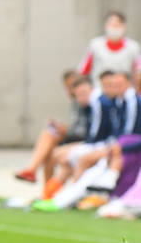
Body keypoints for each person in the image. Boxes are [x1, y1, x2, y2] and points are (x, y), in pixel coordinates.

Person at [35, 69, 138, 211]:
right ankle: (51, 195)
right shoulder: (117, 101)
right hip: (115, 144)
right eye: (108, 85)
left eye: (115, 85)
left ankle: (70, 198)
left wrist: (118, 146)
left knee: (81, 159)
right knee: (64, 160)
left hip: (121, 146)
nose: (110, 88)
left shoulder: (125, 101)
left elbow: (127, 132)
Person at [14, 71, 96, 187]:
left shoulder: (92, 102)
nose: (71, 89)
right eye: (68, 86)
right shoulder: (77, 101)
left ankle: (37, 177)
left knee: (54, 153)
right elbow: (79, 126)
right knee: (48, 138)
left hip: (88, 142)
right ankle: (36, 177)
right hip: (79, 138)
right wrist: (63, 128)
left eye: (73, 85)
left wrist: (65, 130)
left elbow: (86, 131)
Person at [78, 11, 141, 87]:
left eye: (117, 25)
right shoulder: (95, 45)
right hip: (100, 89)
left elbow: (138, 71)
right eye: (111, 24)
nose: (114, 28)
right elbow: (84, 70)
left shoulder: (133, 47)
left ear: (123, 26)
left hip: (125, 90)